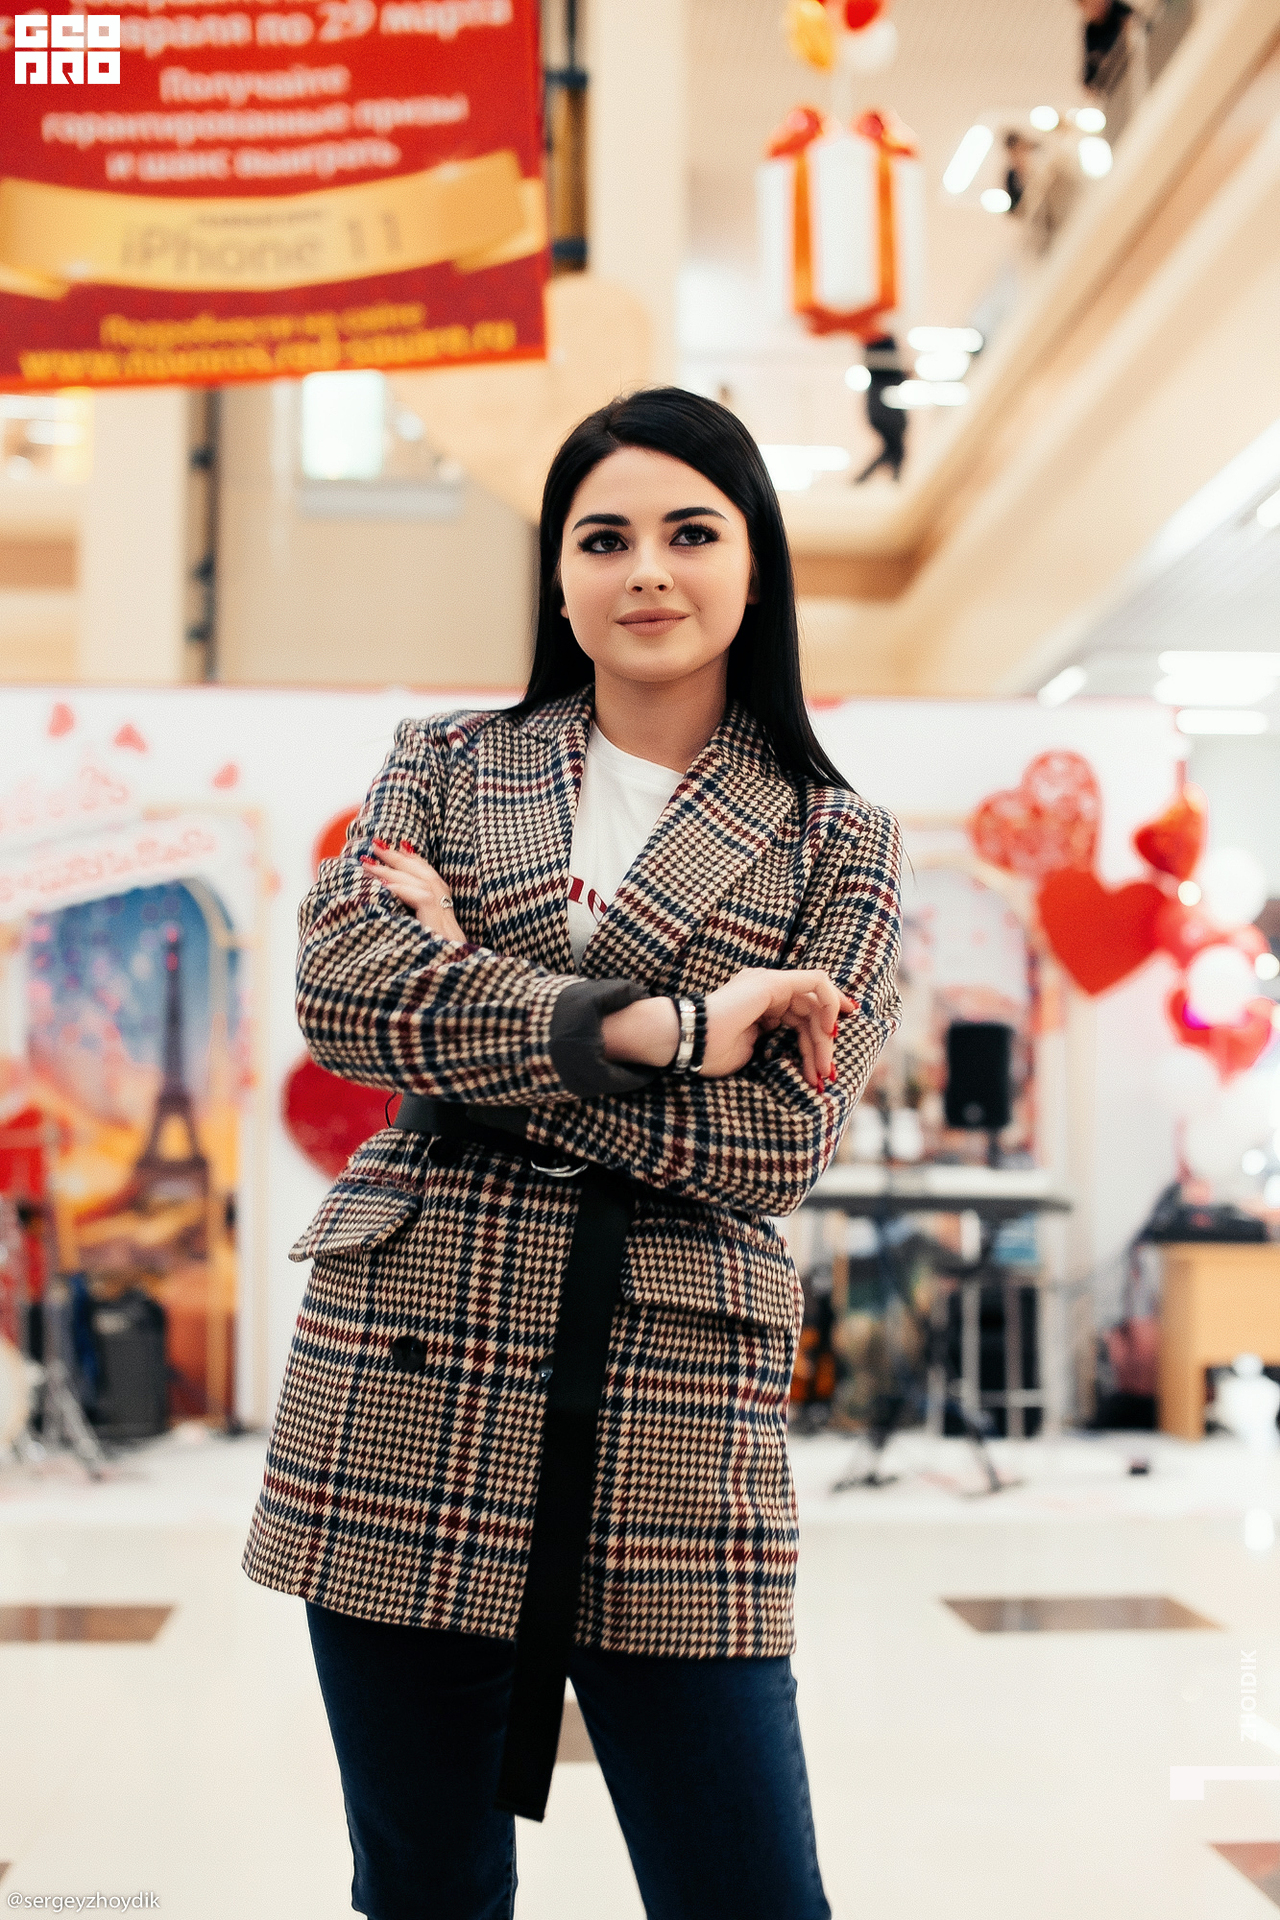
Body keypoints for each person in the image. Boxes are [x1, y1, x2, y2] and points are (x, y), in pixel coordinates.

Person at [243, 387, 902, 1920]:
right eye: (602, 539)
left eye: (691, 532)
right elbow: (346, 1000)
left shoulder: (837, 837)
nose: (646, 570)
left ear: (757, 564)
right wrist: (678, 1026)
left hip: (675, 1392)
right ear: (557, 578)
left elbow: (777, 1137)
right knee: (424, 1888)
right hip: (409, 1372)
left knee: (746, 1890)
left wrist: (470, 1006)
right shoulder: (446, 760)